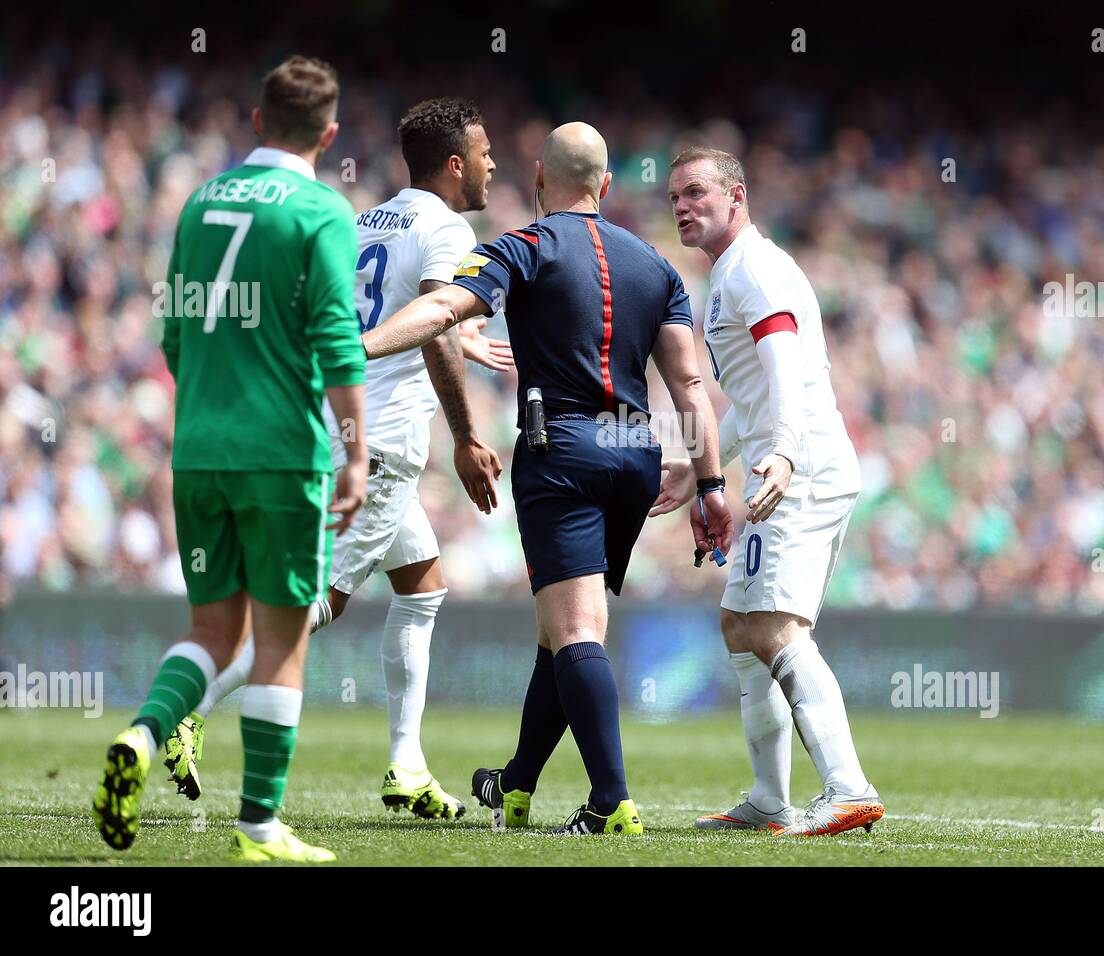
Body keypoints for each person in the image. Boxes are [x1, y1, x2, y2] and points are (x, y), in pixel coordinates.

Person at [361, 122, 733, 835]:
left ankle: (610, 802)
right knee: (560, 631)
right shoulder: (656, 266)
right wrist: (710, 484)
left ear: (538, 179)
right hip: (636, 454)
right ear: (606, 186)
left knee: (574, 631)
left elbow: (443, 309)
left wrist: (359, 345)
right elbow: (688, 384)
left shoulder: (522, 246)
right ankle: (518, 783)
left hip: (559, 449)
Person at [159, 98, 513, 820]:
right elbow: (437, 321)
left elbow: (365, 310)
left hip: (336, 424)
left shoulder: (367, 219)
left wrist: (455, 336)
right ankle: (185, 711)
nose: (492, 164)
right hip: (379, 443)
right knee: (319, 602)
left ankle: (407, 767)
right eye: (483, 153)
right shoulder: (447, 227)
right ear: (454, 164)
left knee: (422, 582)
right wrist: (467, 436)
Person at [92, 55, 367, 862]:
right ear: (329, 133)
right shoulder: (321, 209)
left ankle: (143, 738)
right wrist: (353, 452)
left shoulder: (199, 201)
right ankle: (258, 827)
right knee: (280, 642)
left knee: (211, 626)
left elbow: (174, 332)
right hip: (282, 455)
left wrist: (216, 402)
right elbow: (337, 340)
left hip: (198, 450)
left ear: (255, 122)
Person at [657, 146, 884, 837]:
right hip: (779, 464)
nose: (682, 206)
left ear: (737, 197)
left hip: (798, 469)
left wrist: (782, 452)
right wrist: (701, 465)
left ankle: (848, 787)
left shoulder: (753, 268)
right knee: (739, 625)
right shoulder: (733, 274)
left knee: (777, 628)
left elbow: (785, 367)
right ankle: (768, 798)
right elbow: (755, 395)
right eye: (674, 198)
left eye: (696, 192)